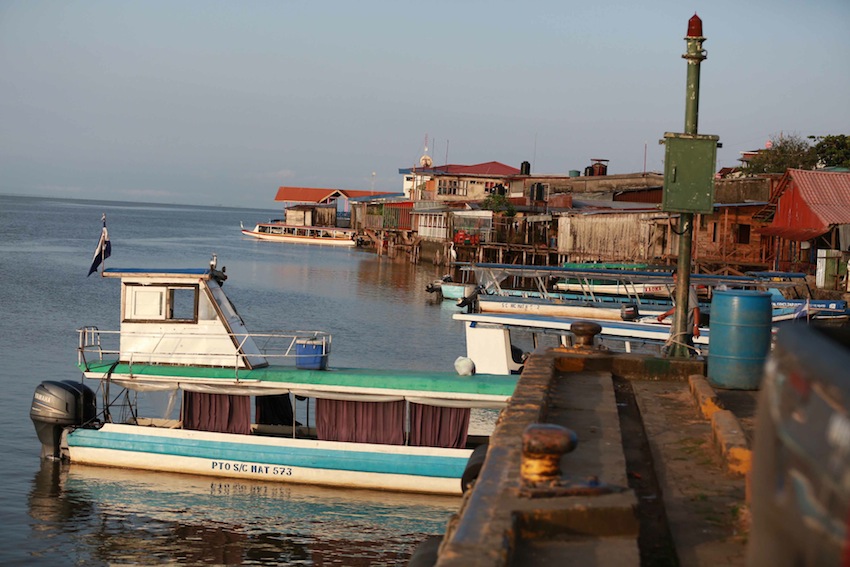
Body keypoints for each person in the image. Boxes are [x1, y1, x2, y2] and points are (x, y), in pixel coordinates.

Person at [656, 271, 700, 351]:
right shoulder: (681, 290)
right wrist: (665, 315)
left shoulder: (689, 291)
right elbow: (678, 307)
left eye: (676, 279)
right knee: (681, 348)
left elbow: (695, 308)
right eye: (674, 279)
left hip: (686, 328)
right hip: (677, 328)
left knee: (681, 348)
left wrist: (696, 326)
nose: (675, 282)